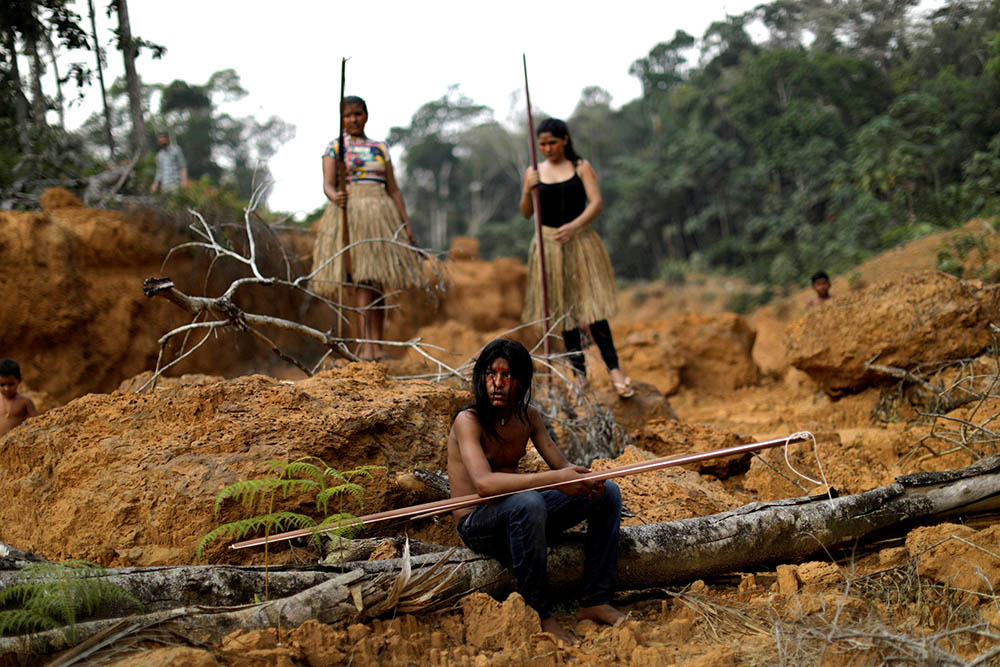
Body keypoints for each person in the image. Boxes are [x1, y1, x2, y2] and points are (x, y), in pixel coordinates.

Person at [448, 338, 624, 644]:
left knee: (608, 492)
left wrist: (586, 485)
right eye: (491, 374)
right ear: (481, 378)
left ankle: (595, 599)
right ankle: (541, 614)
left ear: (522, 380)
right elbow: (484, 484)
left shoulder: (529, 417)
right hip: (477, 523)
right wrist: (554, 480)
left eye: (507, 376)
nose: (498, 383)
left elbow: (564, 467)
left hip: (520, 515)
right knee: (529, 502)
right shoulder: (469, 420)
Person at [519, 118, 634, 398]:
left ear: (565, 140)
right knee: (565, 315)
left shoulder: (580, 167)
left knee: (592, 310)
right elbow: (526, 213)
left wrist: (574, 226)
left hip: (581, 242)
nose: (547, 148)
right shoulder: (534, 172)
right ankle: (579, 377)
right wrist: (526, 189)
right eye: (542, 144)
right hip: (549, 246)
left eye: (552, 143)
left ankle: (614, 370)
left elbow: (596, 203)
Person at [312, 96, 421, 361]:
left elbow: (393, 189)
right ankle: (365, 345)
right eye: (348, 115)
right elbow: (327, 183)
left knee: (377, 283)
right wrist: (334, 196)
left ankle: (377, 343)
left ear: (366, 115)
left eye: (358, 114)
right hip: (351, 215)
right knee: (361, 282)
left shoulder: (380, 148)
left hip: (379, 215)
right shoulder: (335, 148)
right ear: (341, 118)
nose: (353, 120)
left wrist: (405, 225)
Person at [0, 359, 37, 437]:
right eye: (2, 385)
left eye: (11, 384)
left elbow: (36, 422)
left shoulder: (25, 401)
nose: (7, 388)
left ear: (20, 380)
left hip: (16, 444)